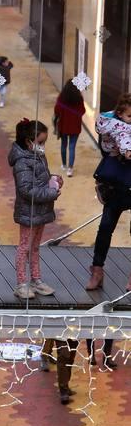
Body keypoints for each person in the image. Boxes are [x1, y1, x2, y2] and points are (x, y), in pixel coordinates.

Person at [10, 118, 61, 300]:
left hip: (40, 210)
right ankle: (21, 283)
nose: (42, 146)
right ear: (28, 141)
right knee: (24, 247)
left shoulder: (37, 156)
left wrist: (52, 179)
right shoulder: (22, 162)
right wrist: (51, 192)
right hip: (28, 210)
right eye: (40, 142)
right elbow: (27, 190)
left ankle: (36, 280)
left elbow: (39, 178)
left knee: (35, 247)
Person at [86, 95, 131, 290]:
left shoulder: (109, 122)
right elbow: (124, 149)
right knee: (105, 228)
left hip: (120, 179)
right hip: (117, 182)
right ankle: (97, 270)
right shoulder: (117, 127)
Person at [53, 80, 85, 177]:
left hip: (63, 126)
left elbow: (57, 110)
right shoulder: (79, 98)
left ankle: (64, 165)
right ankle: (70, 169)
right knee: (72, 147)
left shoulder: (61, 97)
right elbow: (82, 111)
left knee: (64, 145)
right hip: (75, 127)